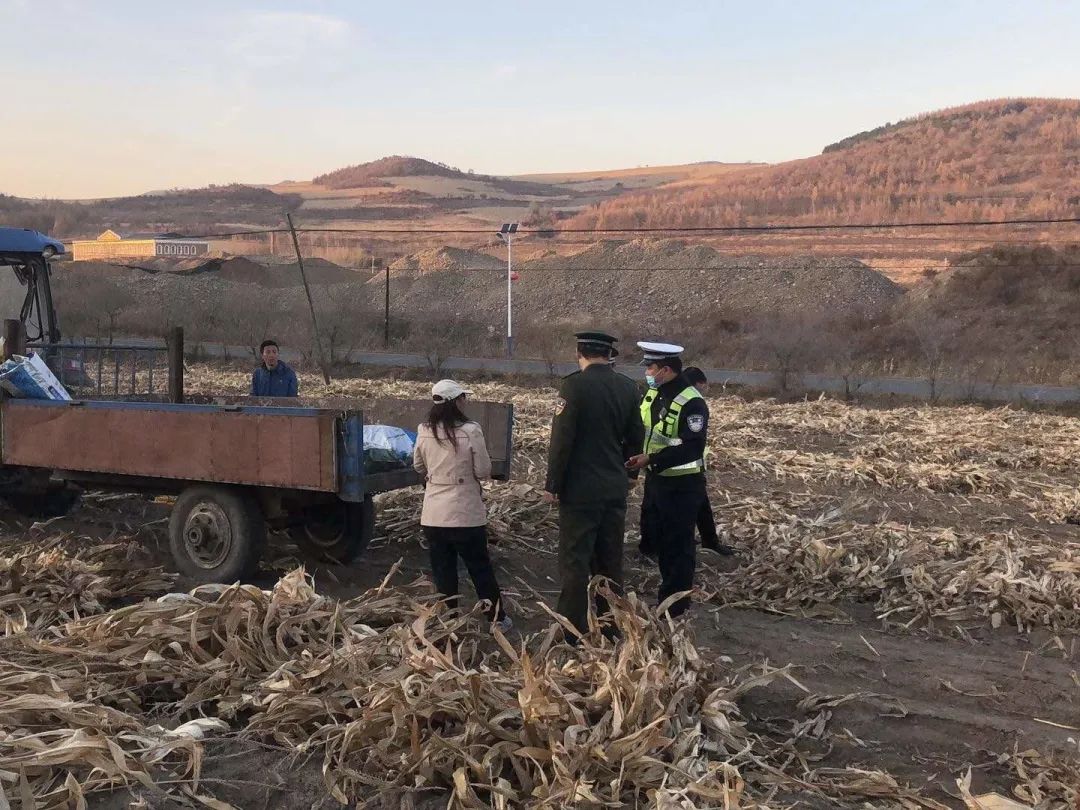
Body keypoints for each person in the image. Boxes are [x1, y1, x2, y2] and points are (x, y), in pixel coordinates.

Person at [544, 331, 644, 637]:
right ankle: (611, 625)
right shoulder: (628, 387)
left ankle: (571, 629)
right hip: (613, 488)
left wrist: (552, 484)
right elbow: (636, 437)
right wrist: (629, 476)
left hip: (580, 490)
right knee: (610, 560)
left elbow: (562, 441)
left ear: (580, 354)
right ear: (608, 354)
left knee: (575, 561)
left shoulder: (574, 386)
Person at [413, 379, 511, 632]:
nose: (465, 401)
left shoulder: (424, 429)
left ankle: (450, 620)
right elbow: (483, 470)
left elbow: (418, 466)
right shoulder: (471, 430)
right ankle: (496, 620)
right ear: (456, 401)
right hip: (465, 512)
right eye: (462, 397)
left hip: (433, 514)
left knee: (443, 571)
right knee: (479, 568)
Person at [626, 342, 710, 618]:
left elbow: (693, 446)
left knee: (678, 544)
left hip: (683, 483)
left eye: (650, 367)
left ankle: (676, 605)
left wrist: (653, 459)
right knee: (662, 538)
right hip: (657, 479)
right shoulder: (654, 394)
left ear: (665, 369)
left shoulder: (692, 401)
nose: (647, 373)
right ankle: (667, 592)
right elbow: (643, 431)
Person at [683, 366, 734, 556]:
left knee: (700, 505)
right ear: (699, 383)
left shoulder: (678, 398)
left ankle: (708, 540)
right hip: (683, 467)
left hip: (684, 466)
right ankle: (704, 541)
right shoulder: (693, 402)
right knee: (691, 507)